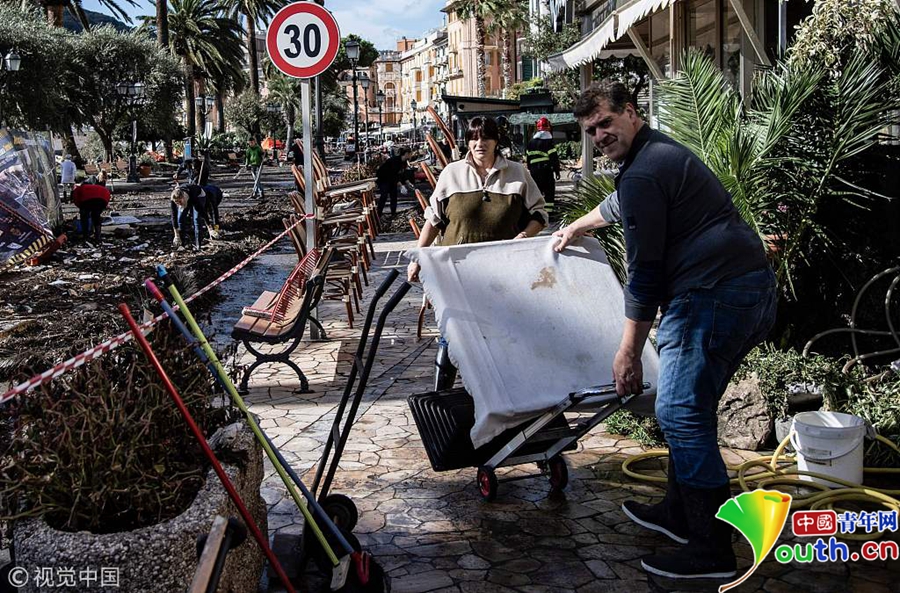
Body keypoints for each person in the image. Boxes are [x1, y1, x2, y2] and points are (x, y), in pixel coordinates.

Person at [553, 81, 776, 580]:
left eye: (606, 123)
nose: (599, 136)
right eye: (590, 131)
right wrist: (579, 225)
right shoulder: (654, 154)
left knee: (679, 411)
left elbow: (646, 274)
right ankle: (679, 514)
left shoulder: (644, 171)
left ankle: (711, 549)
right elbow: (621, 204)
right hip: (746, 289)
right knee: (690, 410)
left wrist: (628, 351)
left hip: (713, 297)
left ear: (631, 113)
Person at [407, 116, 548, 390]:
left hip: (503, 273)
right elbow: (433, 220)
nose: (479, 143)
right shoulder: (452, 173)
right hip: (455, 272)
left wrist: (522, 237)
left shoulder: (518, 173)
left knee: (502, 334)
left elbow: (539, 214)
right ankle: (442, 395)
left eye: (486, 137)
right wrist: (418, 257)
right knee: (452, 333)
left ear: (496, 141)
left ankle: (505, 394)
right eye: (473, 138)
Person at [526, 117, 561, 216]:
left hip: (534, 171)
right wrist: (557, 171)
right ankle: (548, 213)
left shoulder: (531, 142)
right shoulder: (548, 141)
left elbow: (528, 158)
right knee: (549, 191)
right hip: (546, 170)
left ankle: (536, 212)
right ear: (548, 127)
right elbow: (553, 158)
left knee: (536, 192)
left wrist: (531, 169)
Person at [375, 147, 412, 220]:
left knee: (394, 196)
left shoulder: (404, 162)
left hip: (392, 180)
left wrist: (408, 183)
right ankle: (378, 214)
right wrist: (401, 185)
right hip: (384, 178)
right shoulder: (395, 160)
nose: (411, 155)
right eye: (410, 154)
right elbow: (393, 174)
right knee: (384, 196)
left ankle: (393, 214)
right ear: (406, 154)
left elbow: (403, 174)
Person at [171, 185, 211, 250]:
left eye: (180, 201)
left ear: (183, 197)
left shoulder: (193, 197)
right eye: (176, 202)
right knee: (180, 219)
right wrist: (176, 235)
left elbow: (202, 211)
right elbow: (173, 216)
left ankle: (198, 245)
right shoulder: (173, 198)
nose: (178, 204)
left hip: (199, 195)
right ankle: (182, 244)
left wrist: (209, 227)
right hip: (186, 198)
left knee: (196, 219)